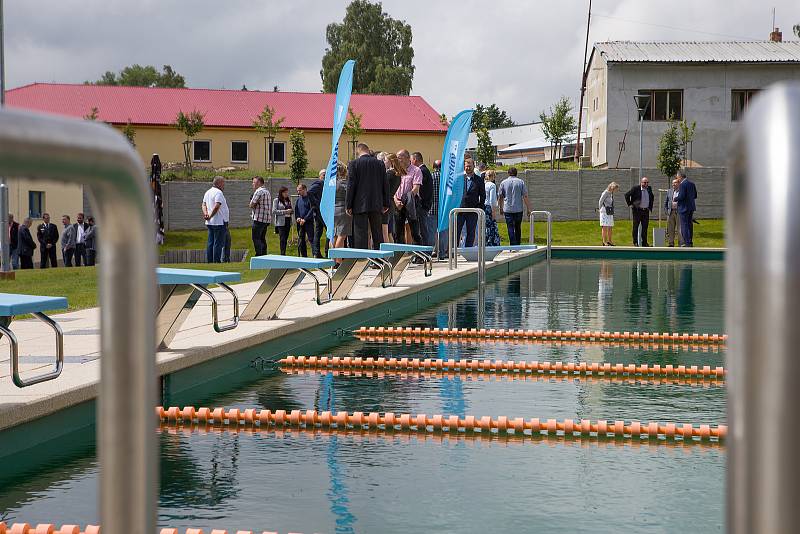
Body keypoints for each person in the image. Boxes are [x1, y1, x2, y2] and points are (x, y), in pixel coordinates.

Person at [346, 142, 389, 250]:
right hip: (376, 203)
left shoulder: (354, 164)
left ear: (358, 151)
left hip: (359, 204)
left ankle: (362, 260)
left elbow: (351, 185)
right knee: (377, 233)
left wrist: (348, 205)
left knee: (360, 233)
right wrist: (386, 203)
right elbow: (385, 184)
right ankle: (379, 260)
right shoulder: (380, 164)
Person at [392, 149, 423, 245]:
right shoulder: (395, 171)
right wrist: (396, 200)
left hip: (411, 202)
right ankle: (400, 256)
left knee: (415, 231)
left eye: (399, 158)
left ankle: (418, 256)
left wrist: (405, 201)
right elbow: (392, 189)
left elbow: (415, 189)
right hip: (398, 203)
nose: (397, 160)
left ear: (407, 158)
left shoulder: (416, 170)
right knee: (398, 232)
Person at [457, 157, 486, 247]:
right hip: (460, 210)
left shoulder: (479, 180)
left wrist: (479, 207)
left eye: (470, 166)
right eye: (466, 166)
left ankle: (468, 250)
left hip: (472, 210)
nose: (468, 168)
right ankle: (454, 251)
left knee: (471, 232)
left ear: (473, 166)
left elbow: (483, 195)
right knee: (456, 231)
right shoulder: (460, 179)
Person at [498, 167, 531, 246]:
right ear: (516, 173)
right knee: (518, 227)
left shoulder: (503, 182)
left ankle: (512, 245)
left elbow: (500, 197)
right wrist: (528, 208)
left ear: (508, 173)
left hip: (507, 208)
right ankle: (517, 245)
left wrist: (500, 207)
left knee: (510, 227)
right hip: (518, 209)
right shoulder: (521, 182)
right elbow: (525, 196)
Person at [202, 176, 229, 263]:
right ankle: (216, 261)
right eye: (223, 183)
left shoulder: (208, 192)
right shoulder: (218, 193)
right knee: (218, 243)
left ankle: (210, 261)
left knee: (210, 242)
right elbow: (217, 206)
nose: (224, 185)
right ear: (219, 183)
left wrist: (206, 213)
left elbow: (203, 204)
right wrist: (210, 215)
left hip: (210, 222)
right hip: (219, 221)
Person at [411, 152, 435, 246]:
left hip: (422, 205)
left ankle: (424, 252)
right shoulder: (425, 170)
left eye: (411, 160)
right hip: (425, 204)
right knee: (423, 229)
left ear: (415, 160)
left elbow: (421, 190)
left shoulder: (421, 171)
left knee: (422, 230)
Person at [624, 176, 654, 246]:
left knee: (645, 227)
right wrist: (630, 204)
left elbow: (652, 196)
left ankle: (644, 242)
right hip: (637, 211)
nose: (646, 184)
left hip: (646, 211)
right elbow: (627, 195)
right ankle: (635, 242)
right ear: (641, 183)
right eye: (644, 182)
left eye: (647, 182)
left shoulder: (649, 189)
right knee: (635, 227)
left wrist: (650, 206)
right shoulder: (636, 188)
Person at [333, 162, 352, 259]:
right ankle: (338, 260)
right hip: (342, 210)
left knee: (333, 236)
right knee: (342, 236)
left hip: (333, 210)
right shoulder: (344, 183)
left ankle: (332, 259)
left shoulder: (332, 183)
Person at [249, 176, 271, 256]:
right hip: (266, 219)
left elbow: (251, 204)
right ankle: (264, 255)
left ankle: (259, 255)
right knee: (262, 238)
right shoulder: (267, 191)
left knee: (256, 238)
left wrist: (252, 204)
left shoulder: (259, 191)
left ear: (258, 183)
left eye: (254, 182)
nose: (252, 184)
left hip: (259, 218)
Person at [675, 170, 698, 247]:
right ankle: (690, 241)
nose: (677, 178)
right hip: (691, 207)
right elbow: (695, 195)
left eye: (677, 177)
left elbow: (681, 196)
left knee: (684, 226)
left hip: (683, 208)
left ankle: (687, 243)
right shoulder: (692, 184)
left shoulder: (682, 184)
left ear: (680, 177)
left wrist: (675, 198)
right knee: (689, 225)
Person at [307, 170, 326, 258]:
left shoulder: (324, 183)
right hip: (320, 211)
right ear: (320, 176)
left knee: (319, 232)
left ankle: (317, 253)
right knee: (327, 231)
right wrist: (316, 204)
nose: (325, 176)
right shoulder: (319, 183)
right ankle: (318, 252)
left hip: (321, 210)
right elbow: (310, 192)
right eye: (323, 175)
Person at [384, 154, 402, 243]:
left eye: (385, 160)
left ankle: (386, 254)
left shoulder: (389, 173)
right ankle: (392, 253)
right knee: (389, 232)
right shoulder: (398, 174)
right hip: (391, 203)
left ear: (390, 161)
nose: (384, 162)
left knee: (385, 231)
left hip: (386, 203)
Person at [431, 160, 446, 258]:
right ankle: (442, 252)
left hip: (432, 208)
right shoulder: (445, 178)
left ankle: (432, 251)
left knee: (432, 232)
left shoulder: (431, 176)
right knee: (443, 232)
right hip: (443, 208)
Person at [272, 186, 293, 255]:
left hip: (288, 221)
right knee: (282, 238)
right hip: (280, 223)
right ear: (281, 193)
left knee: (286, 238)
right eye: (285, 192)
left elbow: (291, 209)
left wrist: (291, 211)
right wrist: (285, 211)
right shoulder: (276, 200)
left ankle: (284, 252)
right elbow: (274, 211)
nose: (286, 194)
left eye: (287, 192)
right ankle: (282, 253)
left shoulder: (288, 200)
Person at [295, 183, 314, 257]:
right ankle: (304, 256)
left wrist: (305, 219)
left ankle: (314, 255)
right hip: (300, 223)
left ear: (305, 189)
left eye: (299, 190)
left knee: (311, 239)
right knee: (301, 240)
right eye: (297, 190)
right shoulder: (298, 200)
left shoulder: (310, 199)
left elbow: (311, 210)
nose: (298, 192)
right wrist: (298, 218)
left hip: (308, 222)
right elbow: (296, 210)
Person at [664, 177, 683, 247]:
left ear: (679, 184)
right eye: (673, 183)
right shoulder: (669, 191)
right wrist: (666, 211)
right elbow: (666, 202)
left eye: (675, 183)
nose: (673, 184)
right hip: (670, 212)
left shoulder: (682, 191)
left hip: (679, 212)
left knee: (680, 229)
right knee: (670, 229)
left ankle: (681, 243)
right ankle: (671, 243)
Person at [483, 170, 501, 246]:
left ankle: (485, 242)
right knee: (491, 225)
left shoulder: (483, 184)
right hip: (489, 207)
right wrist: (493, 211)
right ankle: (491, 242)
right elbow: (492, 200)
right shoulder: (492, 185)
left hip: (483, 206)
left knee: (484, 226)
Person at [598, 182, 619, 246]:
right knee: (604, 226)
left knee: (610, 226)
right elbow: (600, 201)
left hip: (609, 211)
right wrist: (599, 209)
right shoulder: (605, 192)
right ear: (612, 187)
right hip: (604, 211)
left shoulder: (611, 193)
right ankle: (604, 242)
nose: (615, 190)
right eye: (615, 188)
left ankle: (609, 241)